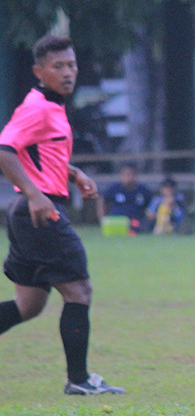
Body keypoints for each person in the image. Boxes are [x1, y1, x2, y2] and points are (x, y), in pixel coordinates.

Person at [0, 35, 124, 395]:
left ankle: (79, 379)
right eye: (59, 66)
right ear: (40, 71)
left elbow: (37, 153)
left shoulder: (51, 106)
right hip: (39, 212)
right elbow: (6, 150)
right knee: (79, 290)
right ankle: (79, 380)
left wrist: (72, 172)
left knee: (29, 305)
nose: (68, 72)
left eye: (71, 65)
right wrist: (38, 196)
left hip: (27, 212)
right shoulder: (37, 107)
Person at [98, 163, 152, 234]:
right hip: (117, 222)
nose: (129, 177)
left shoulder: (143, 190)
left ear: (136, 175)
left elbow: (151, 206)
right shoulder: (114, 188)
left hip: (136, 222)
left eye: (131, 174)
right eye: (126, 175)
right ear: (121, 176)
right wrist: (102, 219)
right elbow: (102, 199)